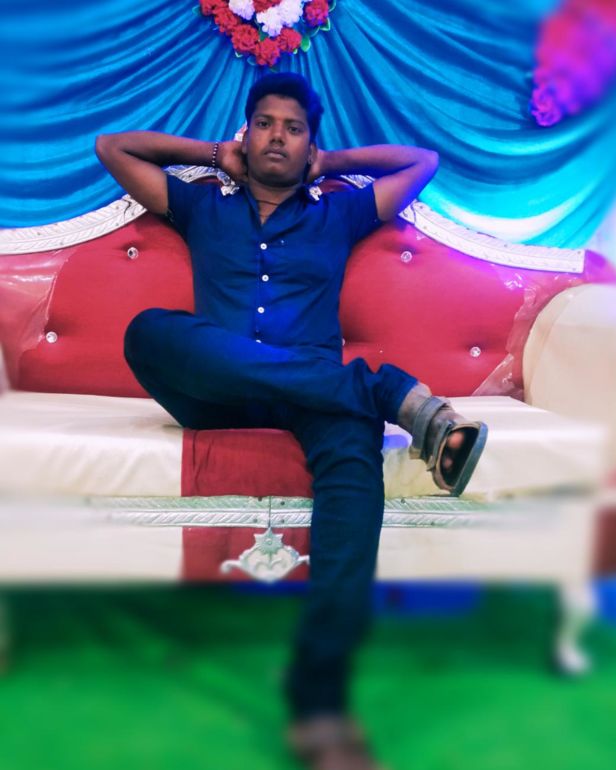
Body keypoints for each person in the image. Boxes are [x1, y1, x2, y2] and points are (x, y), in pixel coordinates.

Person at [95, 72, 487, 770]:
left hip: (318, 402)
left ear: (310, 143)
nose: (277, 136)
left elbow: (421, 163)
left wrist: (331, 165)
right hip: (219, 390)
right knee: (148, 331)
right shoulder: (202, 205)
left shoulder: (339, 213)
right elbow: (112, 147)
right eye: (265, 124)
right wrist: (214, 156)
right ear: (247, 133)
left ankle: (320, 701)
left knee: (353, 471)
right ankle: (386, 391)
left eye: (294, 128)